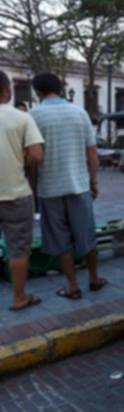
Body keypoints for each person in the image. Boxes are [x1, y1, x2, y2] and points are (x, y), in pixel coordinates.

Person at [30, 72, 106, 300]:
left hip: (49, 189)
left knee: (60, 240)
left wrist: (34, 189)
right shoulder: (79, 113)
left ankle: (72, 286)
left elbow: (32, 158)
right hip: (79, 186)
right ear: (60, 89)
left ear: (38, 92)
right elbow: (92, 153)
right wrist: (93, 181)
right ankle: (93, 278)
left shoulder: (33, 116)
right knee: (86, 235)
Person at [0, 70, 45, 311]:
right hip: (16, 194)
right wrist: (21, 156)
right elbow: (37, 155)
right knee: (18, 249)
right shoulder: (21, 118)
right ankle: (18, 297)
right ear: (7, 90)